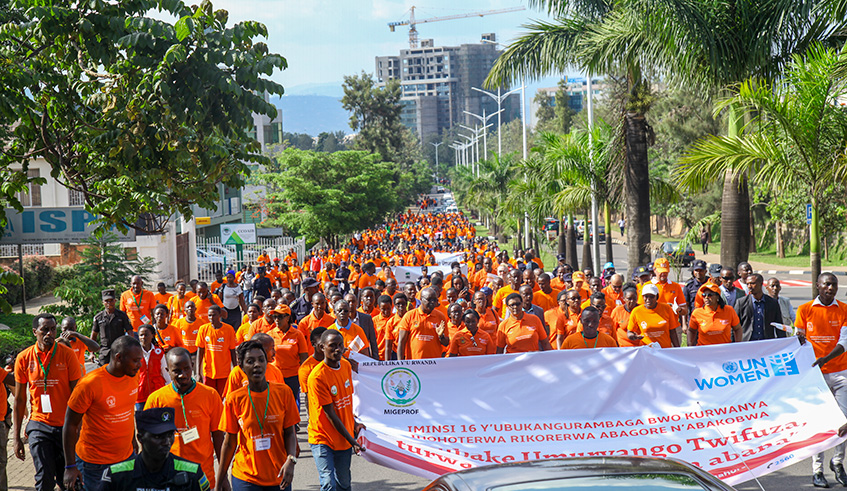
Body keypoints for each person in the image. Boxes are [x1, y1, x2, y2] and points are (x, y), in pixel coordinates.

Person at [217, 340, 299, 491]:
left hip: (279, 475)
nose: (257, 365)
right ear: (241, 367)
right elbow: (229, 443)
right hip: (246, 477)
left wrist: (291, 460)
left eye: (261, 360)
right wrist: (219, 483)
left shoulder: (284, 393)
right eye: (250, 361)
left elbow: (290, 433)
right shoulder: (234, 399)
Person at [64, 336, 143, 491]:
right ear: (118, 357)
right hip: (94, 465)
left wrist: (132, 439)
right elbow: (70, 424)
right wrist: (70, 466)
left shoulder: (133, 376)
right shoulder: (89, 384)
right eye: (135, 360)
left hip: (126, 459)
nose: (139, 365)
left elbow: (128, 411)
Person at [14, 313, 82, 491]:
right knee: (44, 479)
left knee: (70, 482)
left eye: (53, 329)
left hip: (66, 426)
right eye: (45, 330)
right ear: (34, 332)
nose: (49, 334)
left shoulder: (67, 355)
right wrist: (16, 438)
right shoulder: (24, 358)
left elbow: (77, 396)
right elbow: (19, 400)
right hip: (39, 425)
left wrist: (80, 428)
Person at [792, 273, 847, 488]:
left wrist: (826, 358)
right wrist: (798, 339)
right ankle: (817, 470)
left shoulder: (844, 309)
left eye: (834, 284)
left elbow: (844, 342)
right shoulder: (805, 309)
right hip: (815, 374)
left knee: (843, 421)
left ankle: (838, 462)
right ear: (818, 286)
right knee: (819, 422)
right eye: (826, 284)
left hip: (841, 372)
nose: (830, 288)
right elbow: (798, 338)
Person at [145, 347, 223, 489]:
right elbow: (148, 442)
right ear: (168, 371)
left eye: (187, 369)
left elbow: (218, 435)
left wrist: (223, 477)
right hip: (168, 476)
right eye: (176, 371)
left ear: (192, 366)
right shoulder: (156, 400)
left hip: (202, 475)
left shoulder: (210, 395)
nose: (183, 375)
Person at [307, 330, 364, 491]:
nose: (338, 349)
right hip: (322, 438)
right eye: (332, 346)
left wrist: (354, 424)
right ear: (322, 347)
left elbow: (345, 403)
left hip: (343, 438)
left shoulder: (345, 366)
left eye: (340, 345)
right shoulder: (317, 377)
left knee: (344, 484)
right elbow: (330, 414)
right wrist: (352, 440)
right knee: (328, 483)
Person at [100, 407, 210, 491]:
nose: (167, 442)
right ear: (140, 438)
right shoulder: (116, 476)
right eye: (158, 437)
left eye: (170, 435)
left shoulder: (192, 474)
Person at [267, 304, 308, 411]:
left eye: (280, 317)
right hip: (275, 376)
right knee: (276, 404)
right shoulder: (270, 335)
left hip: (292, 376)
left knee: (291, 404)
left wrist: (303, 376)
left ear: (288, 318)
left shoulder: (298, 334)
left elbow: (304, 357)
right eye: (275, 317)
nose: (277, 319)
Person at [196, 305, 237, 396]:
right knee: (209, 396)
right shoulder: (203, 329)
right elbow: (200, 351)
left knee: (222, 396)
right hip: (208, 372)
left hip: (224, 372)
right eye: (209, 315)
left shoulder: (229, 329)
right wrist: (198, 372)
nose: (211, 318)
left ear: (220, 315)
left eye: (214, 315)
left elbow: (232, 351)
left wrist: (235, 368)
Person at [397, 288, 449, 360]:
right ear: (421, 299)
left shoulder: (440, 316)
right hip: (414, 362)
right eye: (429, 299)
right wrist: (400, 363)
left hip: (434, 362)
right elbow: (401, 342)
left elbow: (446, 343)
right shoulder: (409, 316)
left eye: (434, 300)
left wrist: (441, 336)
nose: (432, 302)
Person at [734, 273, 785, 341]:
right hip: (747, 342)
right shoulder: (741, 303)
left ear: (761, 284)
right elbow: (734, 325)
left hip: (766, 342)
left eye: (752, 283)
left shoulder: (772, 303)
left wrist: (782, 342)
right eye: (747, 284)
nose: (749, 286)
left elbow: (779, 326)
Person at [627, 284, 681, 348]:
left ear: (657, 296)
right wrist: (632, 336)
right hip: (647, 350)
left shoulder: (666, 308)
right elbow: (630, 332)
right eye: (646, 296)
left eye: (651, 296)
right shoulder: (636, 311)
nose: (648, 299)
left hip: (664, 350)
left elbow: (672, 331)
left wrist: (677, 349)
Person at [92, 289, 133, 366]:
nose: (109, 303)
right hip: (105, 352)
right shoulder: (98, 317)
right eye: (106, 301)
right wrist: (92, 353)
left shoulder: (122, 316)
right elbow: (94, 336)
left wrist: (129, 348)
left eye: (111, 301)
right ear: (103, 302)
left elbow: (130, 332)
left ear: (115, 301)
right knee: (103, 372)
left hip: (120, 350)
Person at [136, 324, 171, 410]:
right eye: (141, 335)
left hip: (157, 390)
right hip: (140, 392)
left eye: (146, 334)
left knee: (158, 416)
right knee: (142, 416)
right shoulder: (134, 352)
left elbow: (164, 371)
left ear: (152, 335)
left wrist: (169, 386)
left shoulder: (159, 352)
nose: (144, 337)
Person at [299, 326, 329, 418]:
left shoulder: (338, 362)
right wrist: (311, 418)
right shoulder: (305, 369)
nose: (325, 346)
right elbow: (308, 397)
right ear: (313, 344)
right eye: (321, 343)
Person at [345, 293, 379, 359]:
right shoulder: (341, 320)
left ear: (357, 302)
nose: (351, 304)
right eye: (348, 302)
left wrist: (375, 360)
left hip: (363, 356)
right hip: (347, 357)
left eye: (353, 301)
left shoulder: (366, 318)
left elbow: (373, 341)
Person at [175, 301, 203, 367]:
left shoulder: (201, 322)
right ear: (184, 310)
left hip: (196, 354)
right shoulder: (179, 322)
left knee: (197, 371)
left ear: (195, 309)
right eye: (188, 307)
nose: (190, 308)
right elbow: (176, 338)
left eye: (192, 307)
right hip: (184, 354)